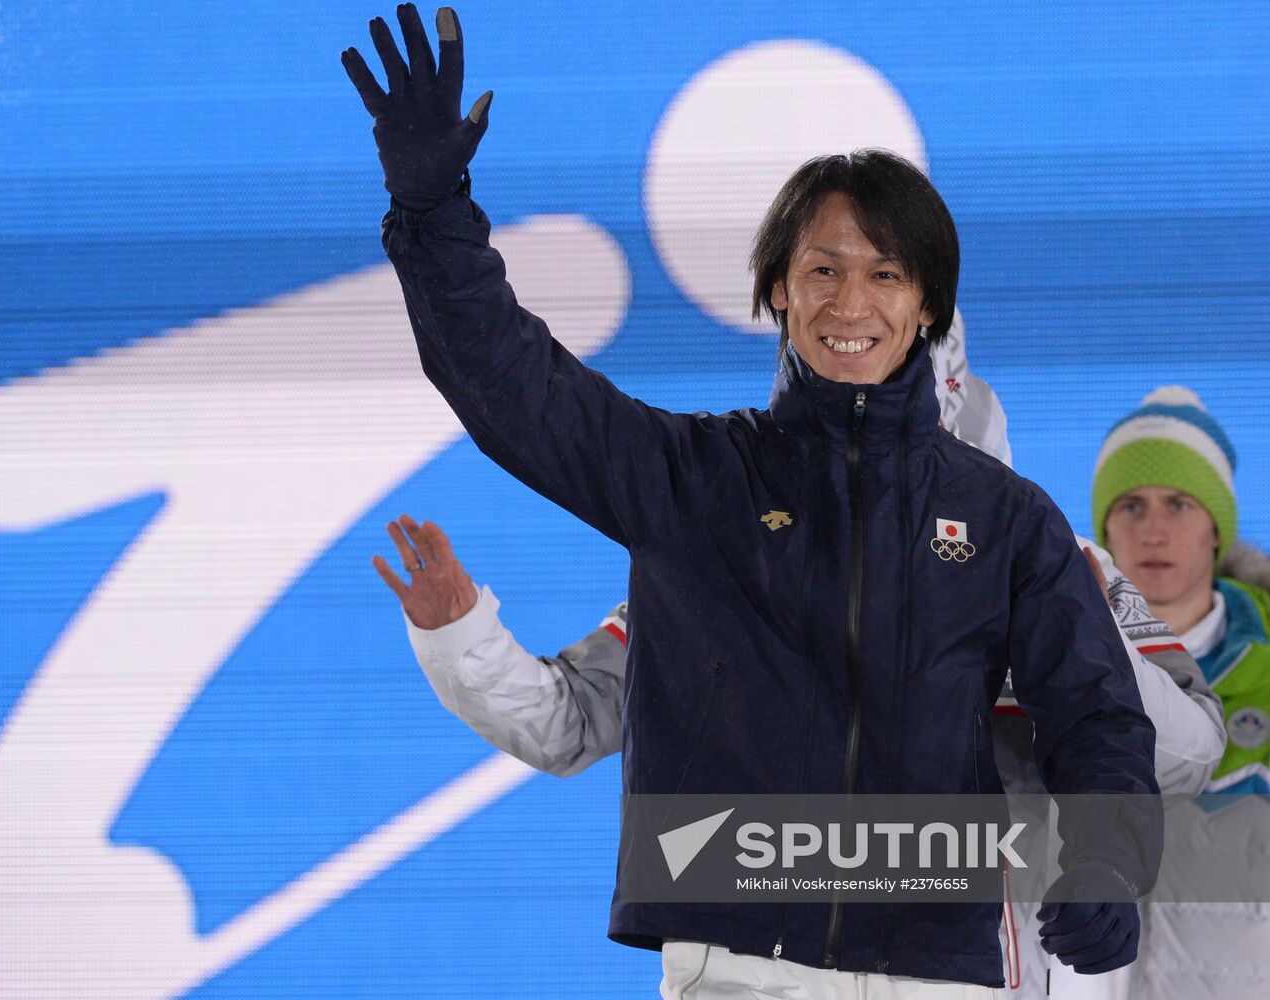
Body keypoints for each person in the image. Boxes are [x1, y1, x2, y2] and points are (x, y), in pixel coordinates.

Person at [342, 7, 1161, 994]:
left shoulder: (1007, 519)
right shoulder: (694, 480)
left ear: (928, 307)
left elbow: (1097, 715)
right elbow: (515, 389)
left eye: (885, 275)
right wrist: (434, 215)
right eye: (822, 270)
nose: (850, 305)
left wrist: (1111, 861)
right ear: (777, 289)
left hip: (936, 972)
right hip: (736, 968)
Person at [375, 357, 1225, 1000]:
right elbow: (568, 722)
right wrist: (460, 635)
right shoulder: (725, 562)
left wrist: (1053, 641)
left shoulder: (1054, 563)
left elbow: (1188, 751)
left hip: (1012, 965)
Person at [1092, 385, 1270, 999]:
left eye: (1179, 504)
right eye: (1132, 506)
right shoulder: (1047, 656)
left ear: (1217, 527)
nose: (1154, 531)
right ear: (1105, 529)